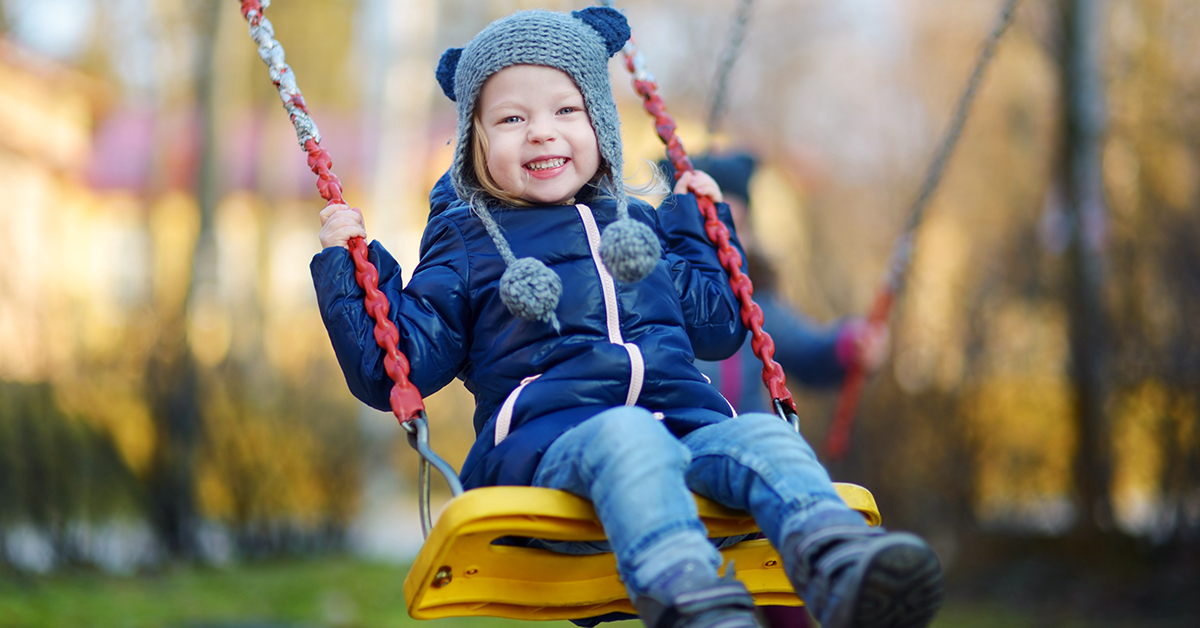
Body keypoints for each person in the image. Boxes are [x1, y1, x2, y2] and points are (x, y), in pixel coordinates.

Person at [310, 8, 942, 628]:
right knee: (626, 435)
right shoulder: (470, 242)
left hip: (685, 434)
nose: (541, 131)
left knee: (763, 437)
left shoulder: (640, 224)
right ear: (474, 144)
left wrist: (701, 226)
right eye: (510, 118)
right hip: (551, 457)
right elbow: (399, 363)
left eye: (566, 110)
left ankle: (840, 568)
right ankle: (686, 595)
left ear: (602, 124)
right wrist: (350, 267)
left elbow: (719, 328)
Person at [664, 154, 890, 628]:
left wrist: (850, 346)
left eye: (734, 223)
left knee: (781, 589)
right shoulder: (661, 300)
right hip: (684, 469)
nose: (722, 235)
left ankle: (846, 581)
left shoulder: (756, 303)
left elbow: (807, 349)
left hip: (750, 470)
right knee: (705, 590)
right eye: (707, 221)